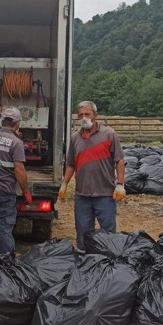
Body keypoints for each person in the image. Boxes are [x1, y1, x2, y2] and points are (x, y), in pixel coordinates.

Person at [58, 101, 126, 249]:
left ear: (95, 115)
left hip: (105, 195)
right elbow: (70, 164)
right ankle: (84, 261)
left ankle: (108, 263)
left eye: (87, 114)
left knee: (108, 235)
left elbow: (119, 160)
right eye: (80, 114)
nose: (84, 117)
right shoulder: (75, 139)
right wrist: (64, 184)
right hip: (82, 196)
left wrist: (120, 185)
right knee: (83, 233)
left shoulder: (109, 134)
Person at [0, 107, 32, 260]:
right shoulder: (16, 143)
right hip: (5, 191)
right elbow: (19, 170)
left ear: (2, 121)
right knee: (4, 227)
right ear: (17, 124)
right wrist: (26, 191)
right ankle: (5, 261)